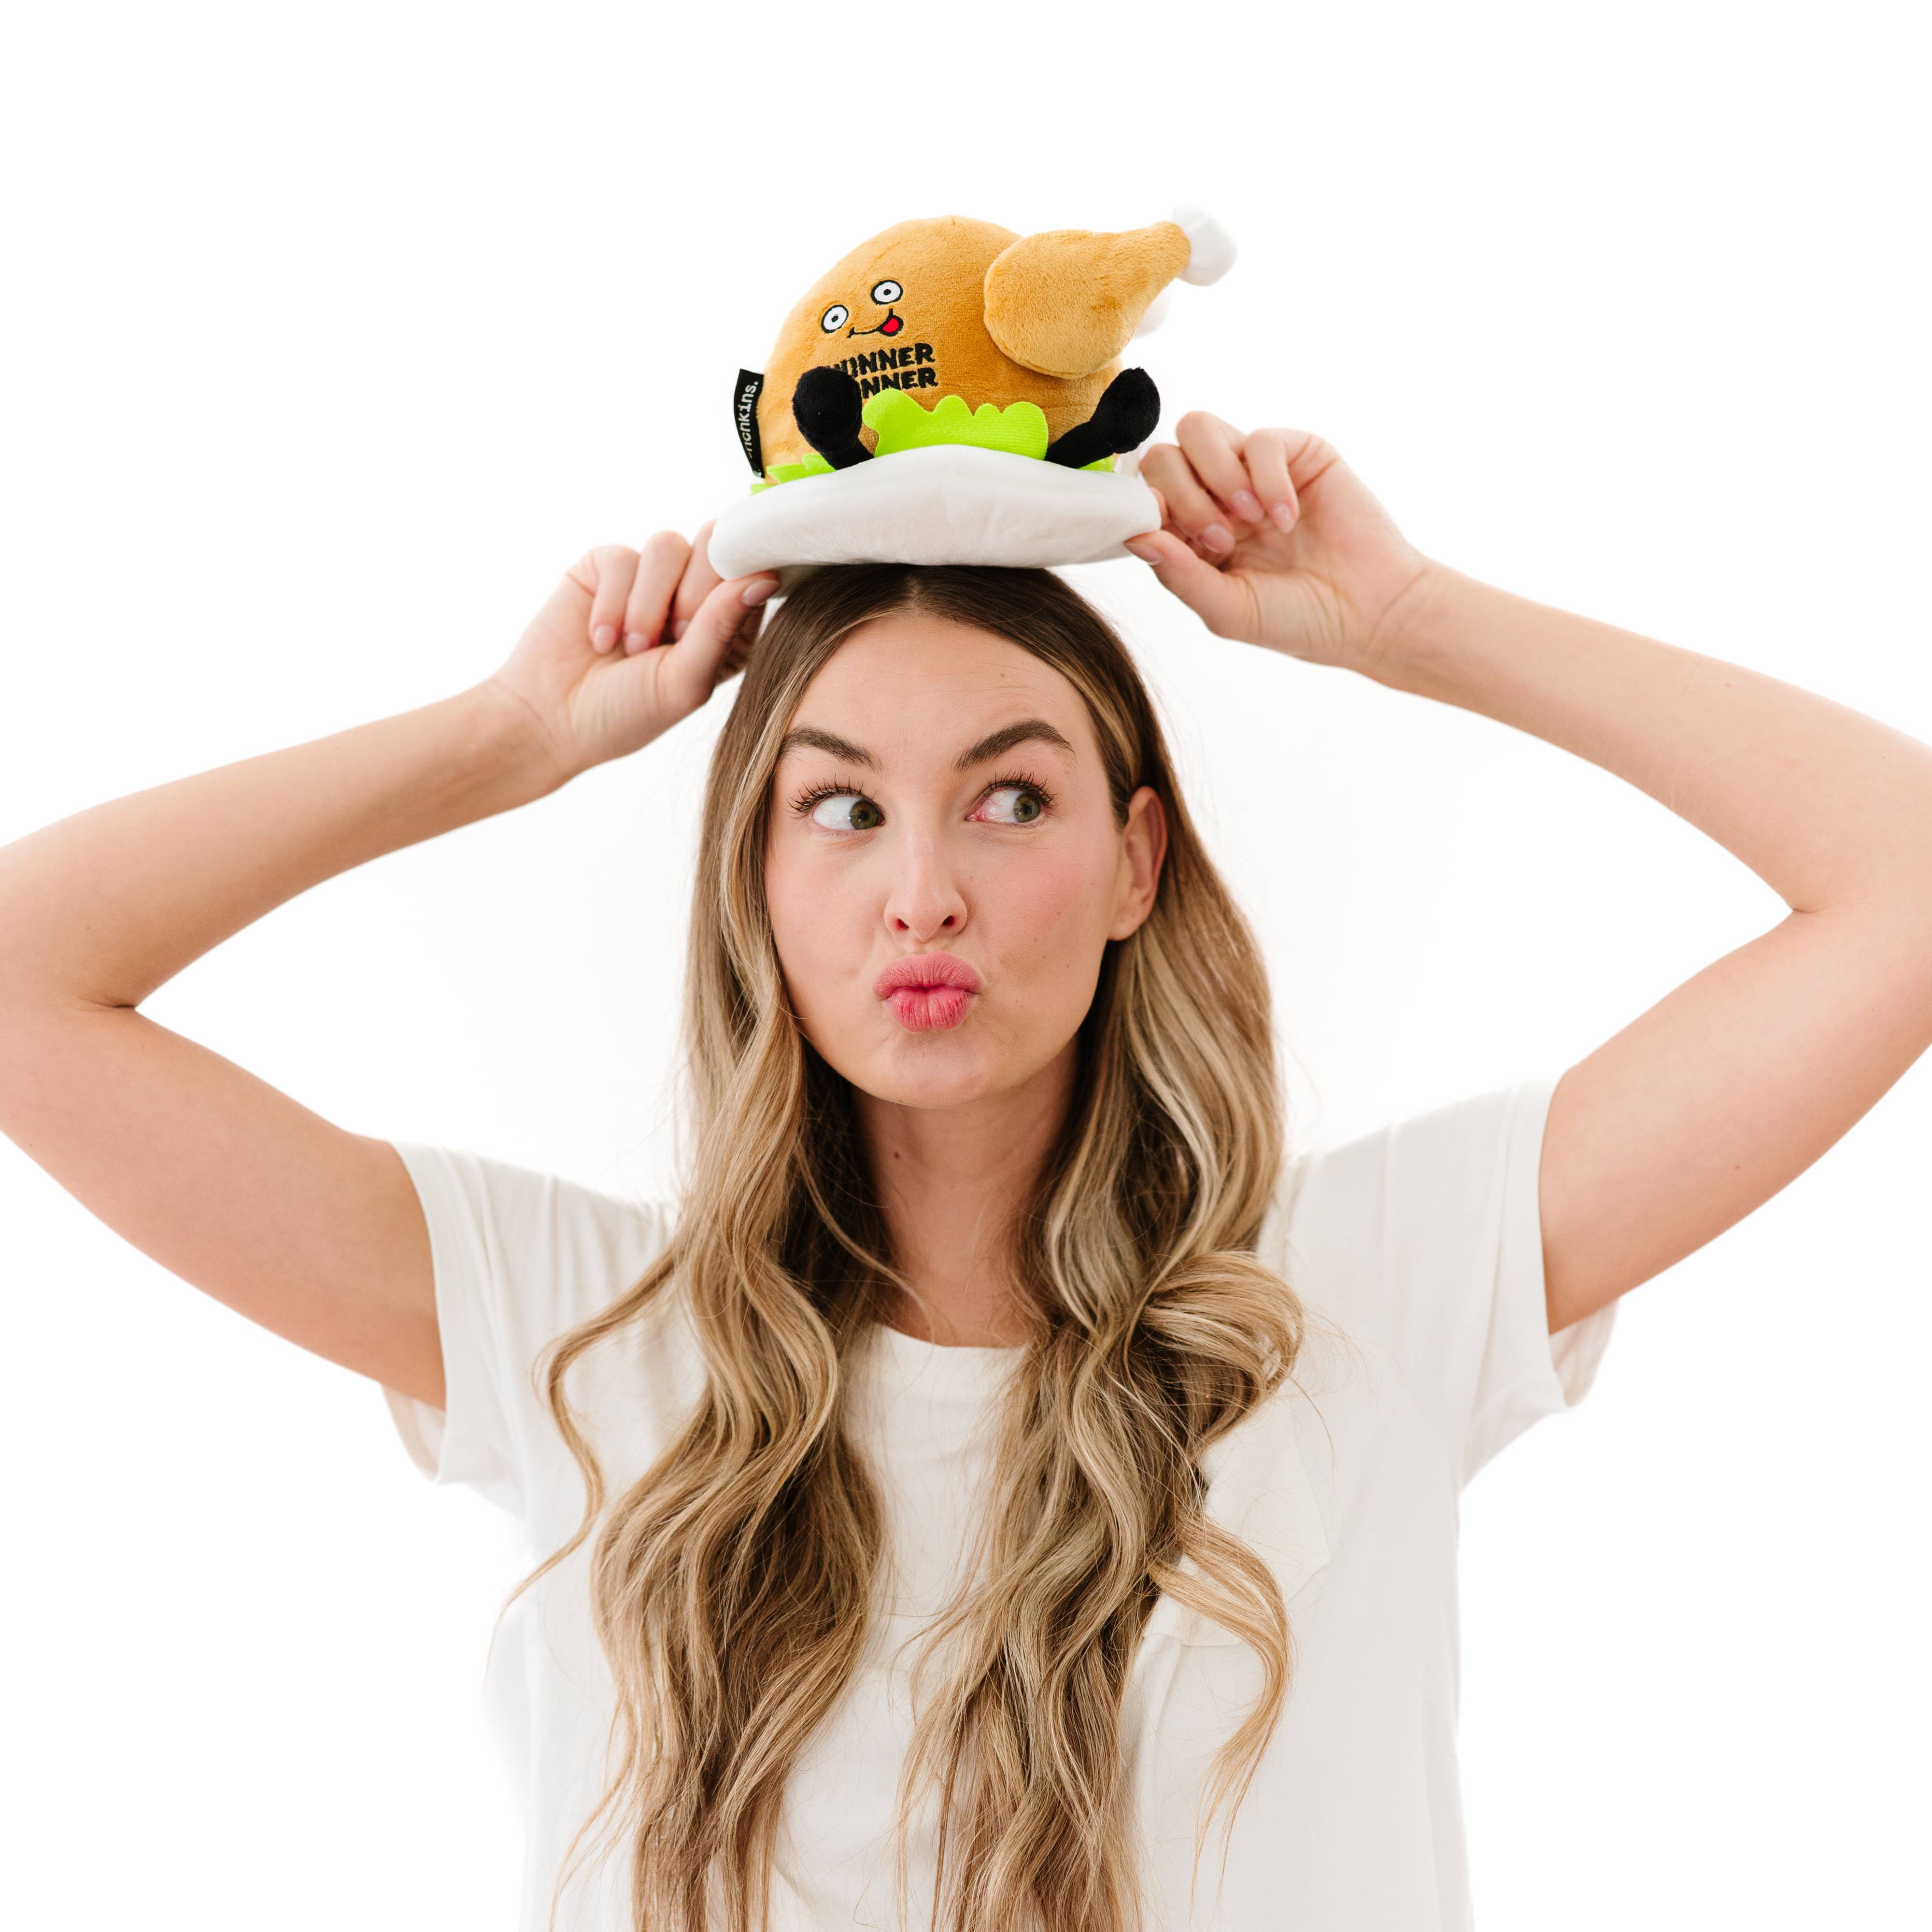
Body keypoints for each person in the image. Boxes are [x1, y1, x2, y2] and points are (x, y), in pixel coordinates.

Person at [1, 416, 1927, 1932]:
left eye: (1010, 796)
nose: (921, 885)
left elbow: (1903, 888)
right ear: (755, 878)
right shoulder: (575, 1330)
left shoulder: (1371, 1291)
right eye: (839, 805)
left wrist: (1412, 621)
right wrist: (504, 735)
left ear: (1134, 862)